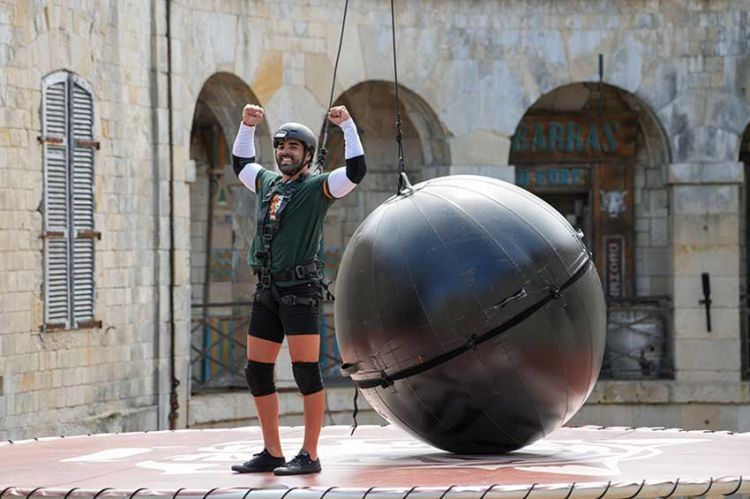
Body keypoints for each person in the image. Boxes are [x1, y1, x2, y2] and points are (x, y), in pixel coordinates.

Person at [229, 103, 366, 475]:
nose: (284, 152)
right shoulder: (268, 183)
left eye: (292, 147)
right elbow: (241, 164)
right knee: (256, 371)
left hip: (300, 291)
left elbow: (356, 171)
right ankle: (272, 451)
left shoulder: (316, 187)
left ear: (306, 155)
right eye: (279, 147)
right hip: (267, 290)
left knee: (306, 371)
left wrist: (347, 127)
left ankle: (310, 453)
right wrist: (247, 126)